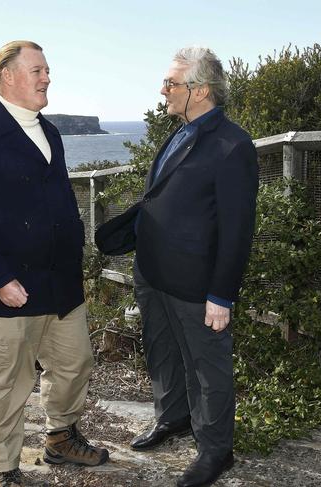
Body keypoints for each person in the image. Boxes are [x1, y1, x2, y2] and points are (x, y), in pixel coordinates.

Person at [0, 40, 109, 487]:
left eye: (46, 70)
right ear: (8, 77)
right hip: (8, 289)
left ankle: (60, 438)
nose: (46, 78)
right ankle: (4, 468)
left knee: (75, 363)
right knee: (7, 382)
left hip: (60, 284)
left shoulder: (50, 131)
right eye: (37, 70)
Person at [96, 46, 258, 487]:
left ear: (200, 90)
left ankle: (215, 450)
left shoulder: (232, 145)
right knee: (162, 352)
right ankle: (172, 419)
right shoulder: (179, 131)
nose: (162, 90)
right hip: (152, 272)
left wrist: (221, 295)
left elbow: (237, 229)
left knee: (208, 368)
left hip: (196, 283)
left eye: (171, 83)